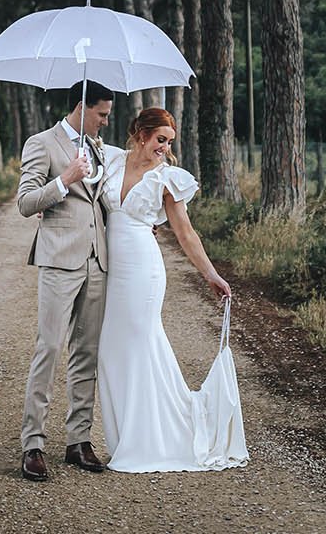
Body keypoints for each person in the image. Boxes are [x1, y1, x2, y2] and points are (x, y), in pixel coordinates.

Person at [96, 106, 248, 472]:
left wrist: (211, 275)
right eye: (160, 140)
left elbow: (185, 232)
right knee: (110, 353)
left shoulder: (167, 178)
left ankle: (151, 440)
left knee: (139, 346)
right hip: (109, 269)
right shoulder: (112, 160)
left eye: (169, 142)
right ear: (141, 133)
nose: (164, 147)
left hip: (142, 272)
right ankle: (124, 438)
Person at [15, 81, 124, 481]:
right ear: (82, 106)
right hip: (59, 260)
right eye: (101, 114)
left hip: (98, 259)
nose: (105, 122)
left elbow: (104, 201)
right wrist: (63, 180)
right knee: (48, 348)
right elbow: (26, 203)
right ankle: (33, 444)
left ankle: (78, 440)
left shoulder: (98, 146)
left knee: (86, 353)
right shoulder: (41, 143)